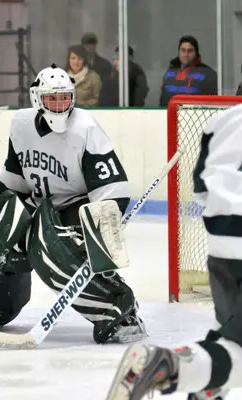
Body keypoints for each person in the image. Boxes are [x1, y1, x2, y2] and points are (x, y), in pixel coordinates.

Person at [0, 63, 147, 345]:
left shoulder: (85, 128)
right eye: (53, 98)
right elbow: (14, 182)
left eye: (65, 98)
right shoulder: (21, 125)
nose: (60, 105)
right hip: (40, 205)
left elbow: (114, 186)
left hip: (76, 206)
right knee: (2, 234)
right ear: (38, 99)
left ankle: (119, 310)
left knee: (50, 247)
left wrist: (101, 224)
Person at [106, 104, 242, 400]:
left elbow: (203, 192)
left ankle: (203, 389)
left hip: (223, 252)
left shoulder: (224, 121)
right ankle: (167, 365)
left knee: (228, 334)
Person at [160, 35, 217, 107]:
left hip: (195, 116)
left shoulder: (207, 74)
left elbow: (211, 105)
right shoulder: (170, 73)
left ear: (196, 53)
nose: (186, 54)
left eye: (190, 51)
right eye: (183, 50)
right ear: (179, 52)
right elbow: (163, 100)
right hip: (169, 116)